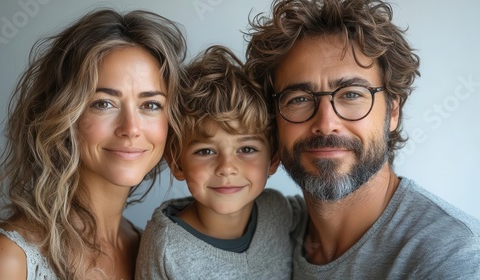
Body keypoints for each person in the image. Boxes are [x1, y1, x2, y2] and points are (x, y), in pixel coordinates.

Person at [245, 0, 480, 278]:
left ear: (393, 111)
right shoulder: (274, 230)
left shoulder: (450, 258)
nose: (325, 124)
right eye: (299, 99)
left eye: (352, 94)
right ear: (274, 119)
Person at [0, 8, 186, 279]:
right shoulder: (7, 260)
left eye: (150, 104)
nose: (131, 128)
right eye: (104, 103)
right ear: (63, 115)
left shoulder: (152, 248)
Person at [135, 45, 303, 280]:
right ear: (177, 163)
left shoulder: (278, 210)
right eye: (205, 151)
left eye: (246, 149)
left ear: (274, 158)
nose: (226, 167)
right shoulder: (166, 249)